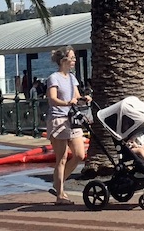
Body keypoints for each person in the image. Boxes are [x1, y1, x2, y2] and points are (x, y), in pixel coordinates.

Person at [46, 46, 91, 205]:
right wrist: (66, 103)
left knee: (79, 154)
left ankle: (58, 183)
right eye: (71, 58)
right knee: (62, 157)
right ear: (63, 60)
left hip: (72, 120)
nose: (74, 60)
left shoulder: (72, 77)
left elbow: (76, 96)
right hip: (58, 120)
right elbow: (52, 98)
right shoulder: (54, 78)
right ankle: (60, 194)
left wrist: (83, 98)